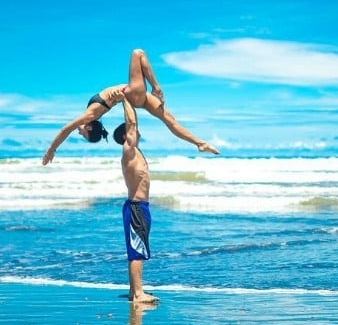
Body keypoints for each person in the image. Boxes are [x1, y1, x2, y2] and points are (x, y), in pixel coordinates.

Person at [41, 49, 220, 165]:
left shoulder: (92, 116)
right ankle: (156, 87)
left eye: (81, 134)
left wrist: (51, 150)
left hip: (135, 97)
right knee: (137, 53)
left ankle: (200, 143)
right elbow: (66, 129)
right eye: (83, 134)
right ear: (89, 126)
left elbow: (67, 129)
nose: (79, 132)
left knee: (170, 121)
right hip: (132, 94)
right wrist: (51, 150)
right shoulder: (90, 115)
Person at [113, 91, 157, 303]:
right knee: (136, 251)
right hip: (136, 207)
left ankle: (134, 291)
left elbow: (132, 125)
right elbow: (131, 123)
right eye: (133, 131)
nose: (138, 133)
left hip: (141, 207)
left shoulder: (136, 152)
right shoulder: (128, 150)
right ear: (126, 136)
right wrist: (126, 100)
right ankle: (138, 293)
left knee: (138, 249)